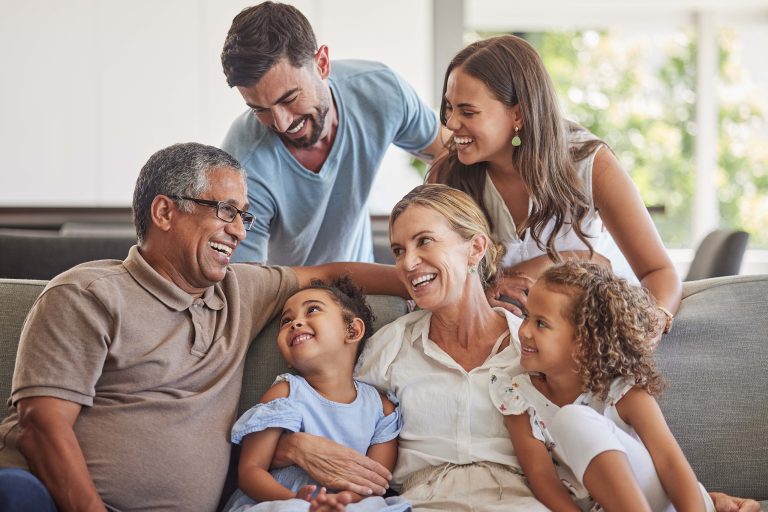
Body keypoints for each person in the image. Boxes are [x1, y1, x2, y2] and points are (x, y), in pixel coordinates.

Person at [268, 184, 759, 512]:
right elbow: (333, 413)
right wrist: (291, 443)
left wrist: (696, 499)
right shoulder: (388, 348)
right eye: (398, 250)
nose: (408, 262)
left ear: (475, 248)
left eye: (424, 242)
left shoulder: (542, 347)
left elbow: (600, 439)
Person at [0, 142, 405, 512]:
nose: (240, 231)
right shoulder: (87, 294)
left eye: (243, 215)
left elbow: (330, 273)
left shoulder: (241, 289)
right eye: (226, 211)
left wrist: (430, 282)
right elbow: (41, 426)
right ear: (164, 212)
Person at [427, 35, 681, 327]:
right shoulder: (448, 175)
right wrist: (488, 288)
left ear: (518, 114)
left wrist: (655, 323)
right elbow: (434, 278)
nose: (450, 123)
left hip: (596, 328)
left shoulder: (590, 164)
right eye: (450, 107)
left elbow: (659, 271)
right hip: (507, 340)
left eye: (468, 111)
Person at [220, 1, 448, 266]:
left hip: (363, 291)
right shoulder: (243, 165)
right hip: (285, 301)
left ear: (322, 63)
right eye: (260, 109)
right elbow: (248, 285)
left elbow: (451, 154)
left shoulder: (380, 91)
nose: (281, 123)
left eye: (290, 98)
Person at [490, 261, 714, 511]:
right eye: (527, 317)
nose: (524, 332)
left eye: (541, 323)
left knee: (571, 419)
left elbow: (670, 463)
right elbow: (542, 479)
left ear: (584, 342)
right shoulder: (517, 395)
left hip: (668, 504)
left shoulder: (623, 390)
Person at [223, 276, 408, 512]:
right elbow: (250, 472)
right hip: (283, 500)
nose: (295, 323)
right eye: (286, 320)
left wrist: (338, 503)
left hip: (349, 504)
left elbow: (374, 480)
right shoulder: (285, 394)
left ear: (352, 330)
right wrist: (296, 501)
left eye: (312, 310)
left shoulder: (382, 409)